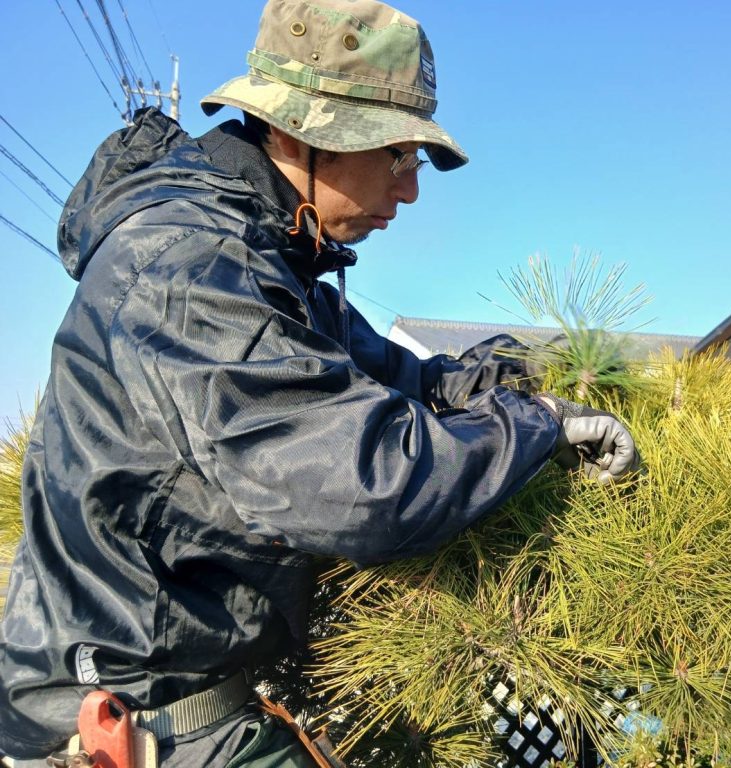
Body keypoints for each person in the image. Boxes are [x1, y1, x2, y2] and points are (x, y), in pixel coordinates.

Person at [0, 0, 639, 765]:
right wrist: (531, 425)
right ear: (301, 134)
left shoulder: (276, 266)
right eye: (398, 156)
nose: (410, 191)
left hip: (199, 695)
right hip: (138, 722)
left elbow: (412, 382)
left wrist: (550, 381)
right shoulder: (190, 271)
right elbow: (362, 483)